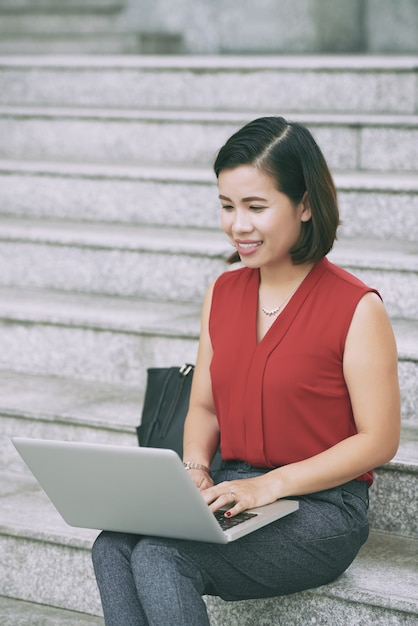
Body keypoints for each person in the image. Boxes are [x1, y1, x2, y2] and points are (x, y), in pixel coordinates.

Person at [92, 116, 401, 626]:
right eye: (227, 206)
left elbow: (379, 439)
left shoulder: (356, 307)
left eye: (256, 207)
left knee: (161, 555)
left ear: (305, 204)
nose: (238, 225)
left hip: (320, 509)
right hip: (231, 488)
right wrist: (194, 470)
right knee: (113, 546)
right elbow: (205, 405)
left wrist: (270, 485)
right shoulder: (224, 291)